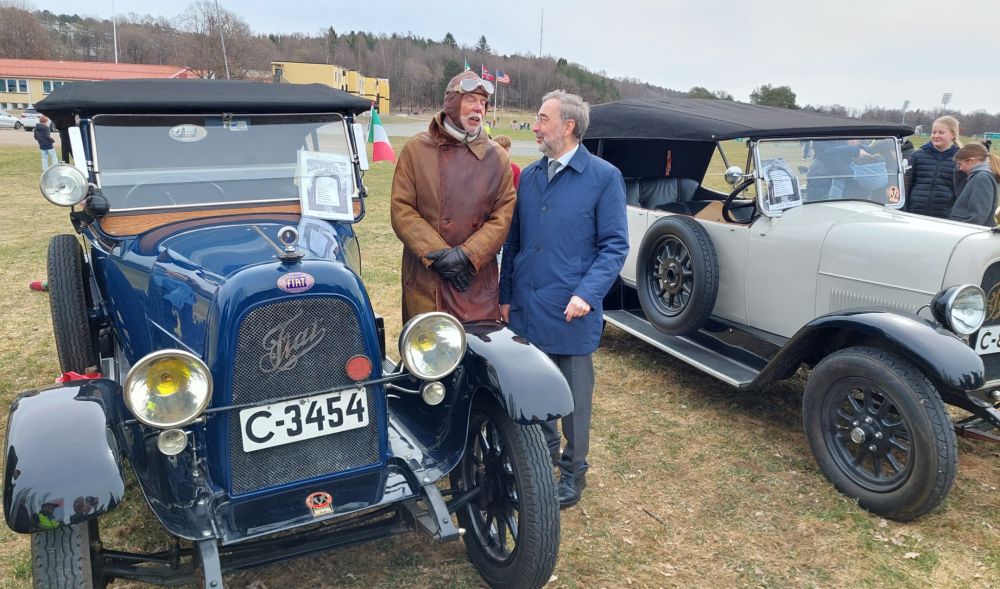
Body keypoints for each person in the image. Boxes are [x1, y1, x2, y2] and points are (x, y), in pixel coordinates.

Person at [499, 90, 629, 509]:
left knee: (574, 403)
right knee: (534, 391)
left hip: (572, 311)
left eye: (542, 119)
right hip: (527, 309)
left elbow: (614, 247)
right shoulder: (532, 176)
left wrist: (586, 296)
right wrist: (505, 296)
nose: (534, 127)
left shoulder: (604, 177)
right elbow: (515, 243)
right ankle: (545, 458)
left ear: (568, 126)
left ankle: (574, 474)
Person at [390, 71, 516, 323]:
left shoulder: (497, 157)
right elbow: (402, 209)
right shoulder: (416, 150)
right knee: (427, 353)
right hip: (429, 277)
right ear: (452, 102)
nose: (478, 109)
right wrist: (439, 255)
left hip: (474, 279)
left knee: (478, 355)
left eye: (482, 103)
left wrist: (467, 256)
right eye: (471, 99)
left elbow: (503, 215)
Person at [904, 115, 961, 218]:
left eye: (941, 132)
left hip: (944, 216)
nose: (936, 135)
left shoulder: (960, 159)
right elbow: (906, 184)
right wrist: (904, 209)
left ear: (953, 134)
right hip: (915, 213)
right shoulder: (917, 155)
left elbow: (961, 191)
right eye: (934, 132)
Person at [948, 142, 1000, 226]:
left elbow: (979, 214)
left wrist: (962, 231)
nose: (960, 168)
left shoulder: (982, 178)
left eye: (960, 164)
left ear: (970, 160)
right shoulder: (980, 175)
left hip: (968, 232)